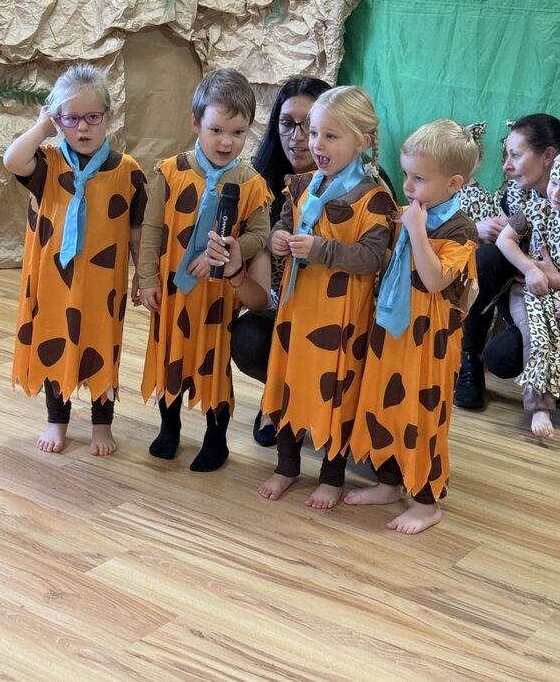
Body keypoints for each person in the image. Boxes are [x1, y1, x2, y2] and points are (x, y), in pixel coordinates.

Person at [257, 86, 396, 509]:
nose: (316, 144)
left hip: (341, 320)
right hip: (298, 311)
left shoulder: (374, 199)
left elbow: (371, 258)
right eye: (315, 133)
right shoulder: (301, 185)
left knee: (336, 395)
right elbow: (283, 224)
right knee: (289, 385)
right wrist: (279, 240)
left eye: (330, 136)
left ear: (362, 142)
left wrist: (321, 250)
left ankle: (332, 477)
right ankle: (286, 466)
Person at [4, 63, 146, 455]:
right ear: (58, 120)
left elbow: (136, 231)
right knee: (55, 341)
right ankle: (57, 420)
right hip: (53, 280)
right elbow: (12, 160)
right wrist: (42, 128)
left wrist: (142, 274)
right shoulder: (47, 163)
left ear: (108, 117)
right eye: (71, 118)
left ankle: (102, 424)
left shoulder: (128, 171)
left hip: (103, 285)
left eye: (92, 117)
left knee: (102, 343)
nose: (83, 127)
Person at [346, 120, 479, 534]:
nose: (407, 185)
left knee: (420, 417)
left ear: (453, 183)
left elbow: (435, 279)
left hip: (430, 340)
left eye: (419, 178)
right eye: (406, 174)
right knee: (384, 404)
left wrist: (417, 232)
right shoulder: (413, 213)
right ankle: (388, 482)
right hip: (393, 330)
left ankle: (426, 502)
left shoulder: (459, 228)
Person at [138, 69, 272, 472]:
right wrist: (147, 278)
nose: (226, 142)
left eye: (238, 132)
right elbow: (151, 229)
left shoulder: (252, 183)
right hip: (173, 291)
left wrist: (231, 250)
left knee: (213, 364)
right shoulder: (170, 172)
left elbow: (260, 234)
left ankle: (216, 439)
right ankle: (169, 427)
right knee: (170, 356)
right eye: (217, 130)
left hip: (217, 297)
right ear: (196, 123)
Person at [454, 114, 560, 409]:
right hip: (534, 298)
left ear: (548, 156)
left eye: (516, 155)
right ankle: (470, 359)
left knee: (519, 355)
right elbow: (505, 240)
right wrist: (527, 265)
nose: (506, 165)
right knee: (486, 259)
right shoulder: (522, 200)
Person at [231, 75, 330, 446]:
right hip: (283, 308)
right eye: (287, 123)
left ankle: (328, 407)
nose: (298, 136)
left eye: (311, 125)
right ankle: (279, 395)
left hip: (341, 310)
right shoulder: (257, 183)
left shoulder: (364, 183)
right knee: (249, 337)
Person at [496, 142, 560, 438]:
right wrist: (530, 269)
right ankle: (539, 406)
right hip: (531, 292)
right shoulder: (535, 208)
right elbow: (504, 240)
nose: (556, 193)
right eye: (554, 182)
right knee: (537, 338)